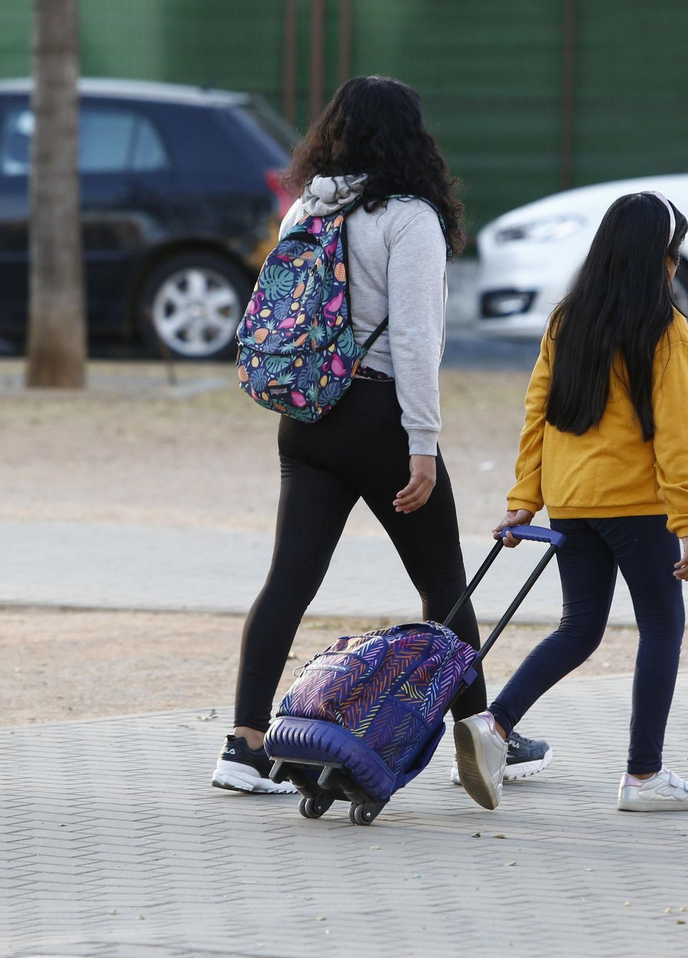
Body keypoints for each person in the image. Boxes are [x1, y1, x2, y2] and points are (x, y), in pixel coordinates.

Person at [212, 75, 553, 794]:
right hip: (379, 418)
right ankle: (482, 737)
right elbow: (418, 341)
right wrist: (422, 445)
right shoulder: (408, 218)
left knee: (288, 582)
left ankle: (243, 744)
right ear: (412, 137)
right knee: (444, 587)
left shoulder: (308, 204)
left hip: (306, 418)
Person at [453, 191, 688, 813]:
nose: (675, 263)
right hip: (635, 504)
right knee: (661, 624)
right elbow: (677, 435)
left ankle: (493, 726)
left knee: (580, 626)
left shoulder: (566, 317)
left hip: (572, 503)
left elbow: (536, 412)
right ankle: (644, 776)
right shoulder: (666, 329)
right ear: (655, 257)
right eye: (671, 251)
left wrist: (525, 499)